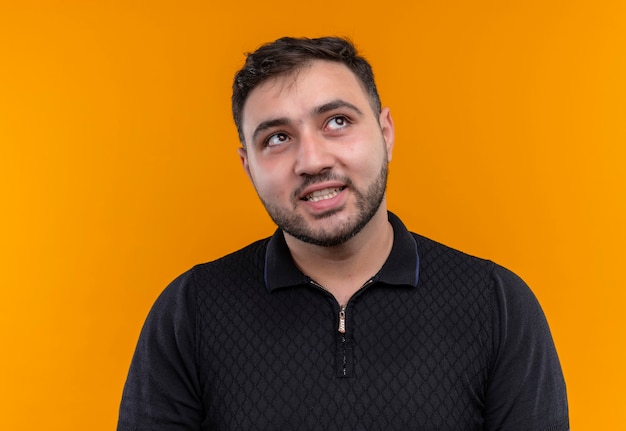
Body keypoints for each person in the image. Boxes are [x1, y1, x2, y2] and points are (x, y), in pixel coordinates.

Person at [117, 36, 569, 430]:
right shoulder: (190, 310)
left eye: (337, 121)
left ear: (386, 133)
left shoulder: (497, 304)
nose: (311, 160)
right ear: (247, 166)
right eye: (276, 137)